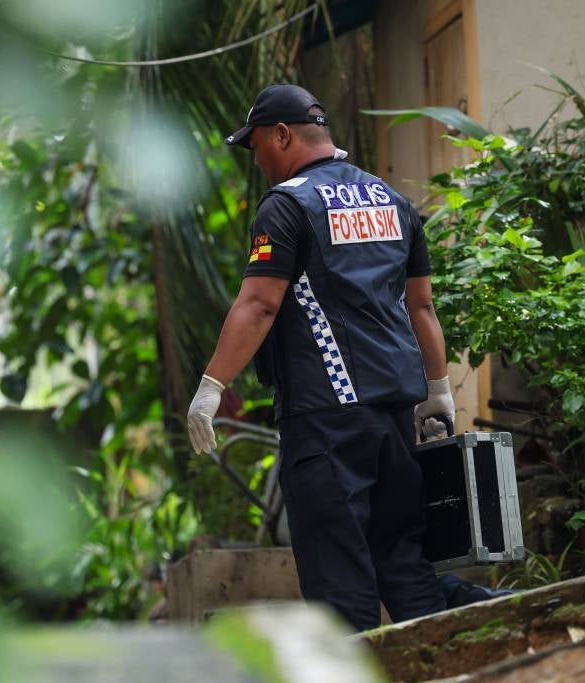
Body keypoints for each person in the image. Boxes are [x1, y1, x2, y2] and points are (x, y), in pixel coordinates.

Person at [186, 84, 504, 631]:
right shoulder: (391, 200)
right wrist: (438, 392)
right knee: (403, 567)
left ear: (282, 134)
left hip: (325, 422)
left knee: (340, 587)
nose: (257, 159)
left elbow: (260, 305)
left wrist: (212, 386)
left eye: (257, 144)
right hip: (395, 420)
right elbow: (421, 307)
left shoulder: (287, 205)